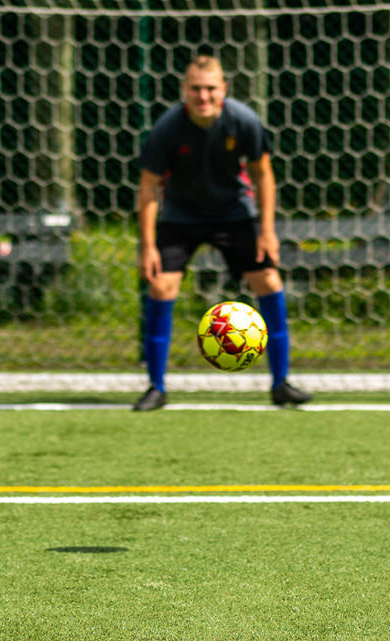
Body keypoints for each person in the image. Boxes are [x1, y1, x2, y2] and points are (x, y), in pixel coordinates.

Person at [133, 55, 312, 412]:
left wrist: (267, 231)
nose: (203, 96)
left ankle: (281, 384)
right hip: (181, 215)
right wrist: (148, 246)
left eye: (211, 89)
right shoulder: (167, 128)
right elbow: (149, 188)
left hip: (233, 212)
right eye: (196, 89)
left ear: (223, 90)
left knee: (270, 282)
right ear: (185, 91)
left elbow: (263, 175)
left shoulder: (243, 121)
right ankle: (156, 387)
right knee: (160, 285)